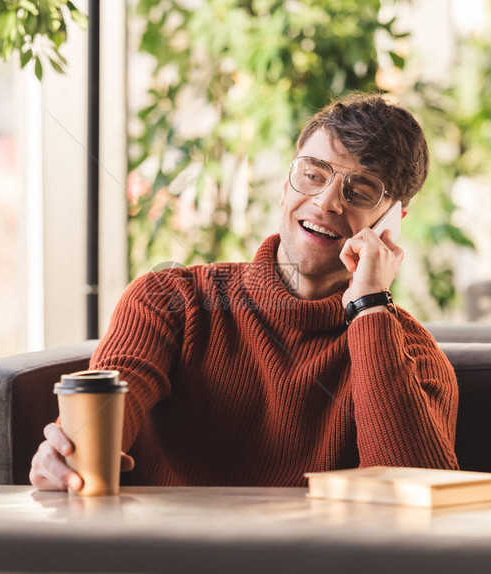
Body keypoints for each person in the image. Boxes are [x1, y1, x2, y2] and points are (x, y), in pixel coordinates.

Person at [30, 93, 459, 492]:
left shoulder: (414, 356)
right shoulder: (167, 301)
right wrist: (67, 453)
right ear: (285, 184)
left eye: (359, 191)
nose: (326, 202)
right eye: (312, 174)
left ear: (393, 221)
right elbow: (112, 404)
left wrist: (368, 308)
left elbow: (420, 505)